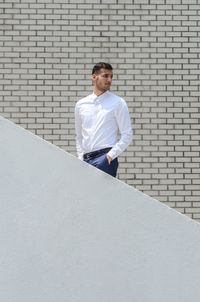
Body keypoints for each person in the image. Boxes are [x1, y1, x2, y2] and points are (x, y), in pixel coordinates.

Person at [75, 62, 132, 177]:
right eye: (105, 76)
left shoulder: (118, 103)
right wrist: (80, 157)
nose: (109, 80)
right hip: (85, 159)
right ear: (94, 77)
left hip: (105, 158)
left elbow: (127, 134)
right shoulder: (81, 104)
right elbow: (79, 135)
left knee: (105, 195)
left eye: (111, 76)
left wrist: (110, 155)